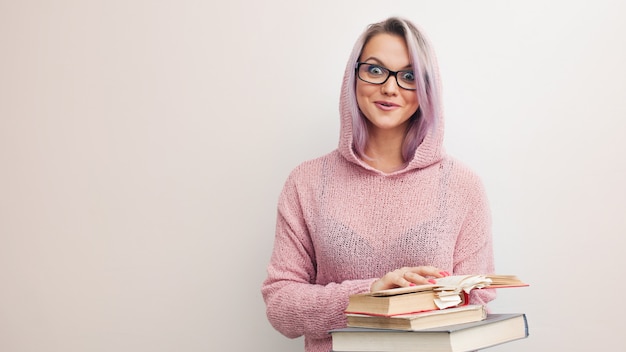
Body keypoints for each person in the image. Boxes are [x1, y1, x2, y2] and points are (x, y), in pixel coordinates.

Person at [261, 16, 496, 352]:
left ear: (428, 87)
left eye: (410, 76)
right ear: (352, 76)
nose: (390, 87)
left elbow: (480, 301)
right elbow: (281, 307)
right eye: (375, 70)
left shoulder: (463, 186)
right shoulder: (307, 182)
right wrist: (370, 294)